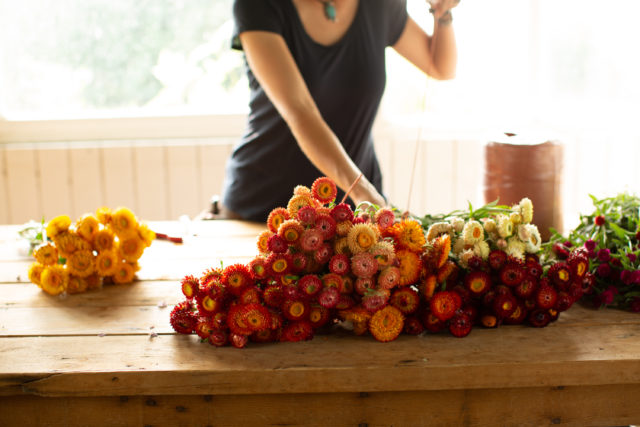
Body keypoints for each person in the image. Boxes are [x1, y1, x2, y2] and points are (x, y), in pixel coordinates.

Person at [198, 0, 459, 222]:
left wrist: (442, 13)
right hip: (265, 209)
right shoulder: (259, 5)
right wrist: (362, 191)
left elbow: (439, 66)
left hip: (352, 210)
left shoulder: (380, 4)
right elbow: (300, 110)